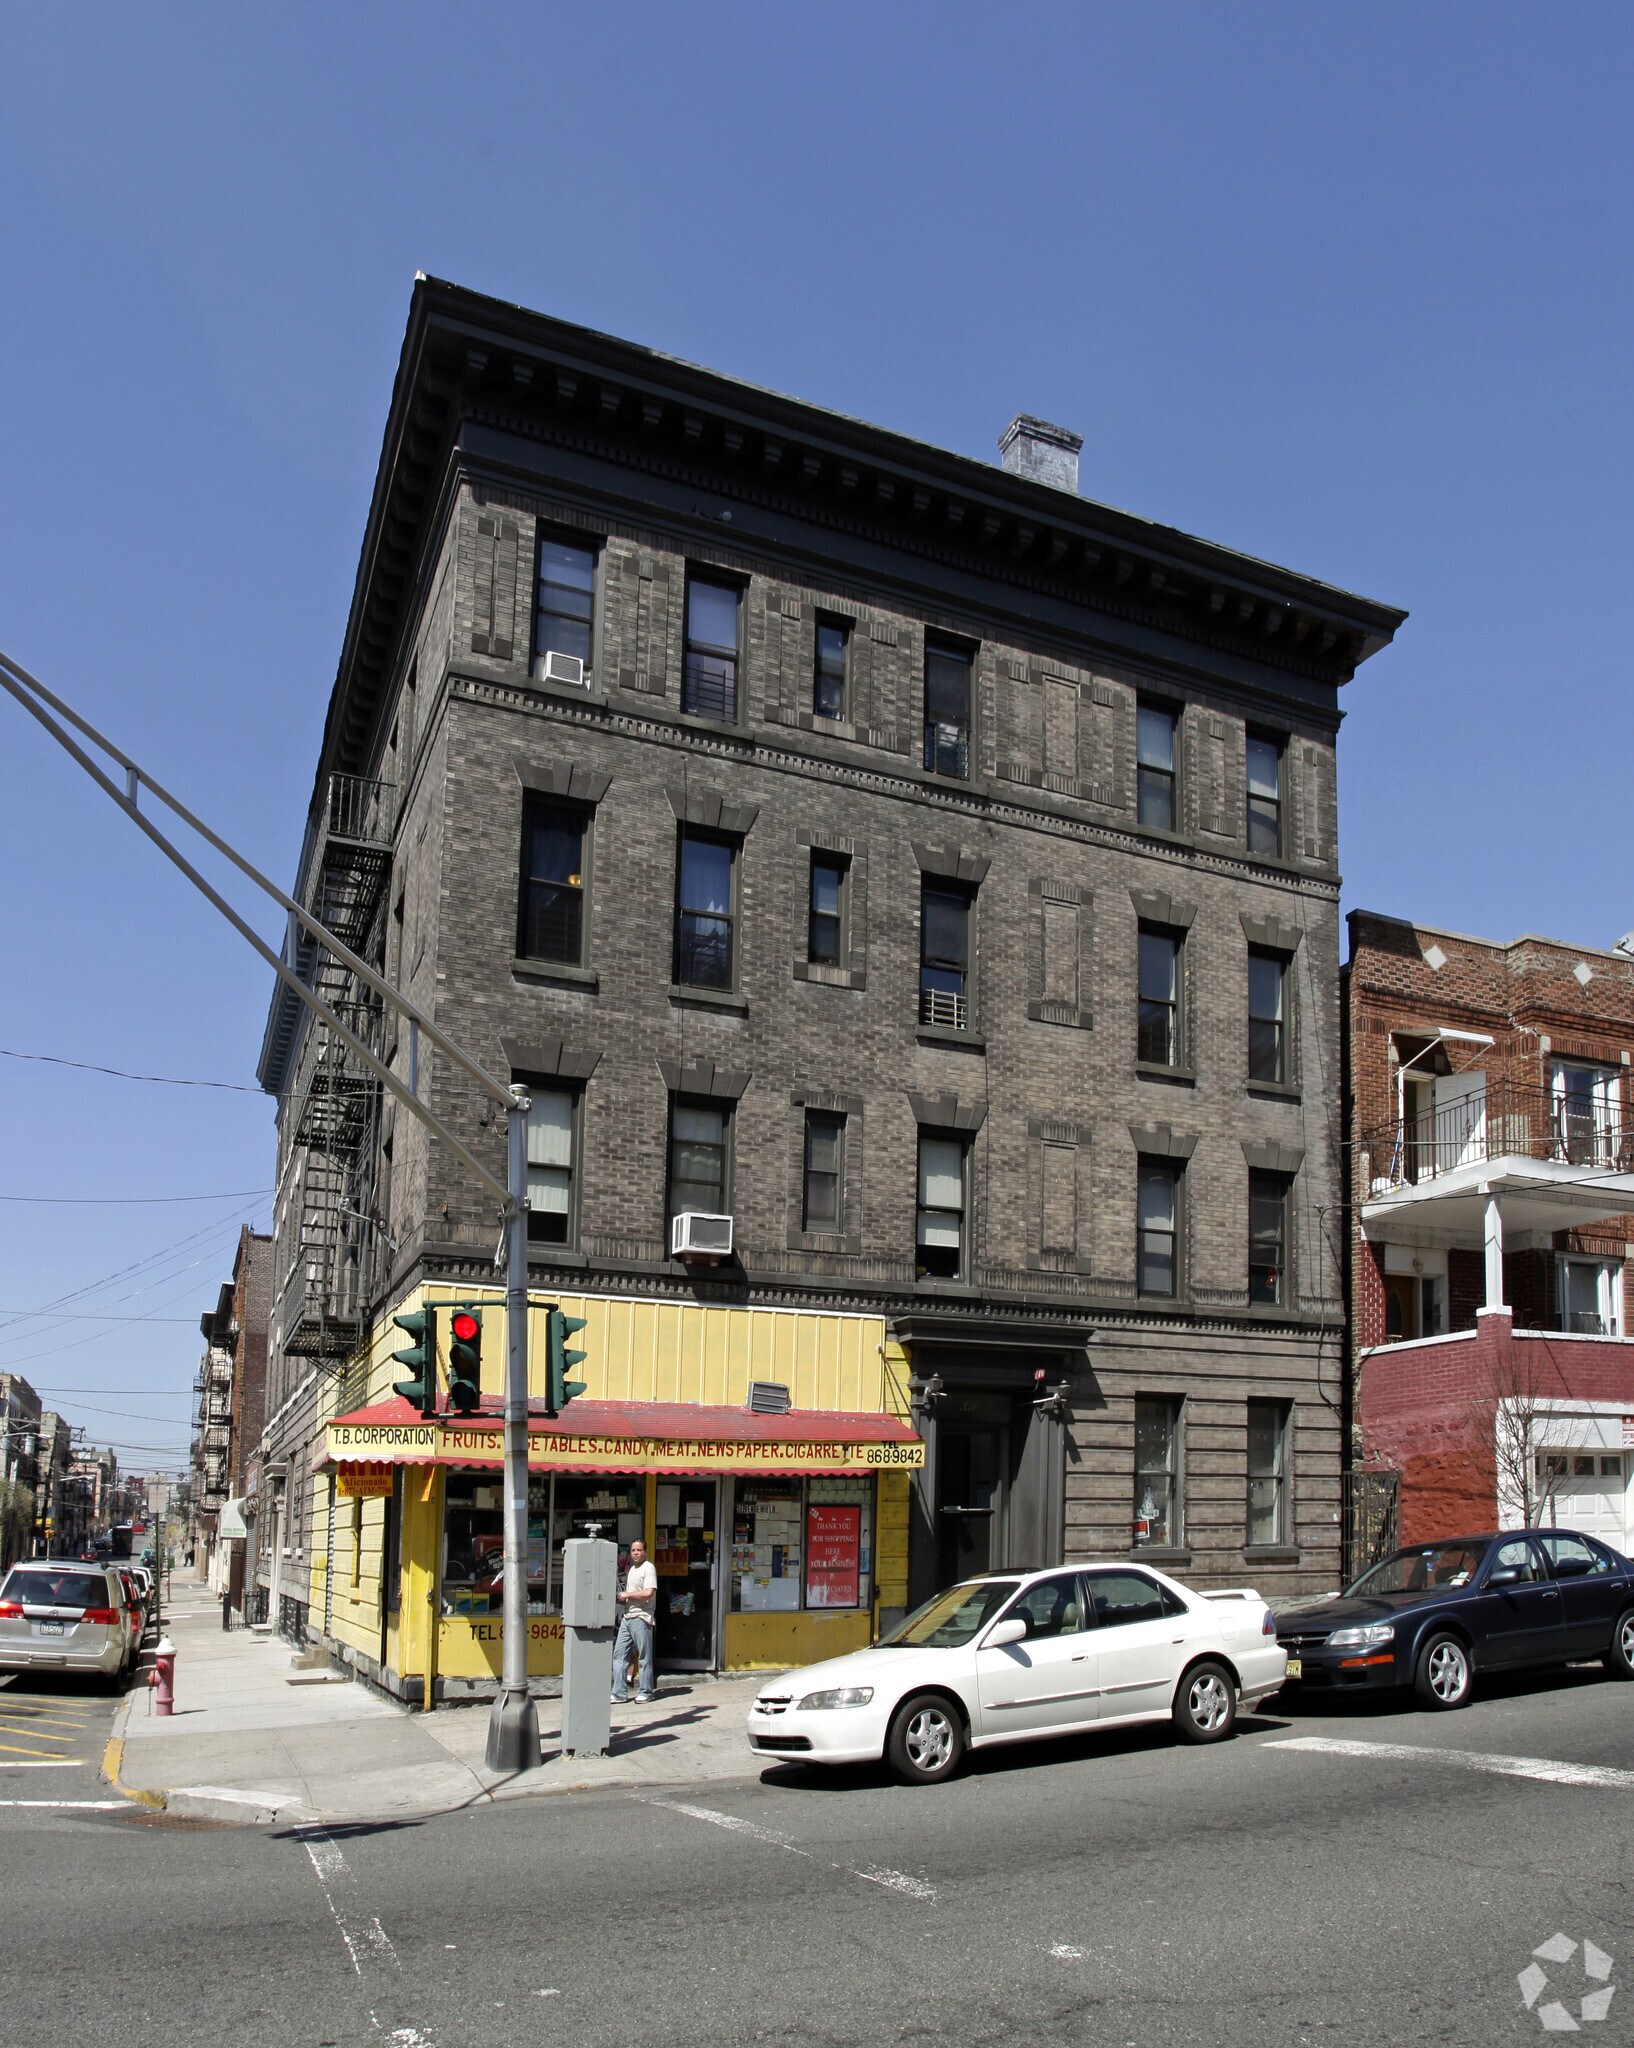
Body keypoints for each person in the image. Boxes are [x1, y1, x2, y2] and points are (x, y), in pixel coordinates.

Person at [611, 1536, 658, 1704]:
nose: (636, 1553)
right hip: (627, 1616)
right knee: (618, 1656)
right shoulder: (632, 1569)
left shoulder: (648, 1568)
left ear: (645, 1551)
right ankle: (619, 1693)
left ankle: (646, 1691)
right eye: (633, 1550)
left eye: (639, 1550)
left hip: (641, 1617)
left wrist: (628, 1594)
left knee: (644, 1657)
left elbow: (648, 1592)